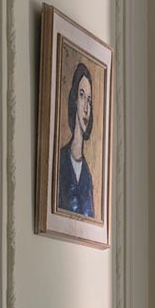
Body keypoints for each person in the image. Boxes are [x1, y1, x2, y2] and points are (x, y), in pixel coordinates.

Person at [56, 62, 95, 218]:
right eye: (82, 95)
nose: (86, 107)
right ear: (74, 100)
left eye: (89, 100)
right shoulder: (60, 161)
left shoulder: (87, 175)